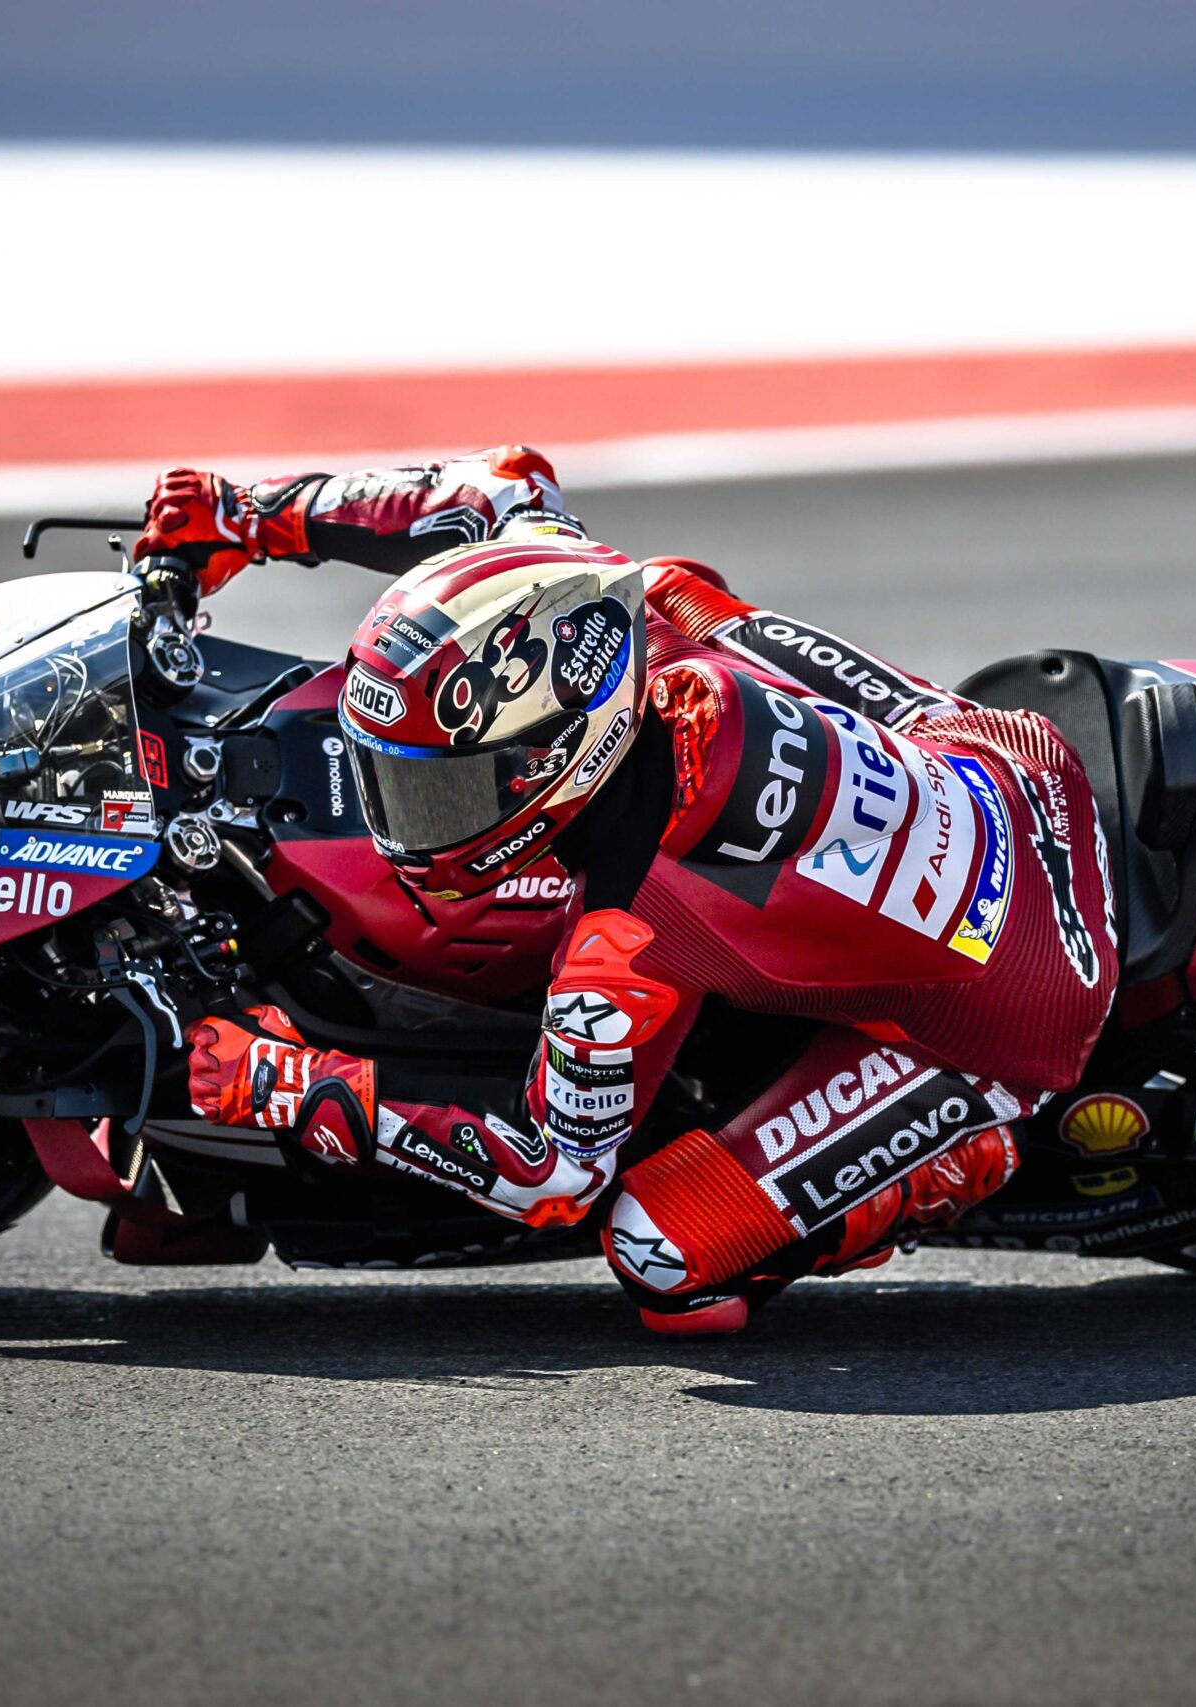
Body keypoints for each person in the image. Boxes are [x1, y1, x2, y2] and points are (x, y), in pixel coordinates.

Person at [144, 448, 1118, 1333]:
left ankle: (964, 1154)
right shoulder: (609, 601)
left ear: (556, 755)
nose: (404, 821)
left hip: (1020, 1004)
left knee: (662, 1255)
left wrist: (293, 1084)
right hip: (1008, 759)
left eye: (442, 789)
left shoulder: (630, 936)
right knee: (694, 597)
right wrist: (248, 512)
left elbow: (550, 1176)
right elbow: (496, 485)